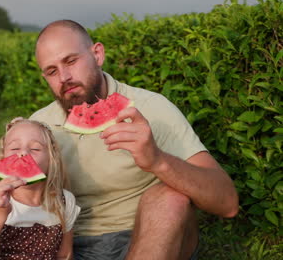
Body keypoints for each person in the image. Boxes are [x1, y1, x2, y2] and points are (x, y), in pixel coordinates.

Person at [30, 19, 239, 260]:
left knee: (170, 198)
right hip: (70, 247)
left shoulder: (152, 109)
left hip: (151, 239)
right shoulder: (38, 128)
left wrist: (157, 160)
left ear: (97, 54)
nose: (64, 77)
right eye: (52, 71)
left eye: (71, 61)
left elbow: (228, 203)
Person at [0, 118, 81, 260]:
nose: (23, 153)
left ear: (52, 159)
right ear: (3, 157)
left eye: (35, 149)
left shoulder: (64, 201)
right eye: (15, 148)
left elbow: (64, 254)